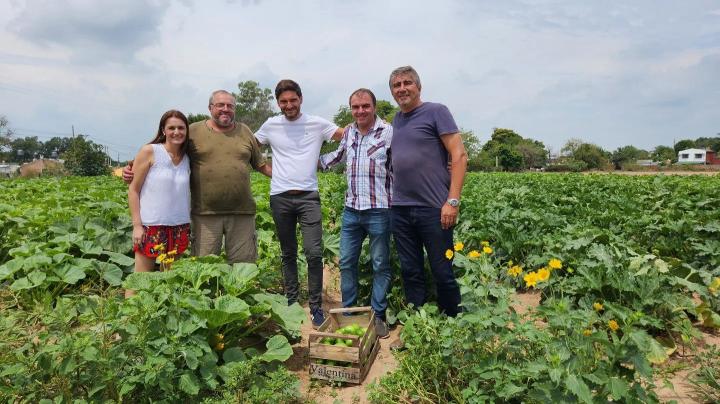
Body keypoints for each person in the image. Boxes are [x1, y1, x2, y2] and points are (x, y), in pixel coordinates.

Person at [123, 90, 271, 263]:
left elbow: (261, 165)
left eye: (230, 106)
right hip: (204, 214)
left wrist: (289, 179)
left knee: (244, 267)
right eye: (220, 105)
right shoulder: (193, 131)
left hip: (242, 213)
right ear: (210, 108)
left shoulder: (244, 131)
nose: (225, 109)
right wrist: (131, 167)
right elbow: (165, 148)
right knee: (204, 268)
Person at [254, 79, 344, 328]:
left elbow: (345, 136)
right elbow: (248, 146)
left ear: (301, 99)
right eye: (283, 101)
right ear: (278, 102)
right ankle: (291, 302)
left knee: (314, 253)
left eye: (293, 100)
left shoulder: (316, 123)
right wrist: (264, 168)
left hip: (308, 197)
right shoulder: (271, 125)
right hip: (280, 197)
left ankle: (316, 306)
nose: (289, 105)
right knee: (288, 252)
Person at [388, 66, 468, 319]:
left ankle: (452, 322)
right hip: (400, 209)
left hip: (434, 208)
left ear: (418, 87)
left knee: (442, 270)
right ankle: (418, 324)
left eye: (407, 83)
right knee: (411, 270)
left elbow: (459, 154)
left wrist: (452, 201)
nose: (402, 89)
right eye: (396, 85)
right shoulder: (396, 120)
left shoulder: (436, 112)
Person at [319, 88, 393, 338]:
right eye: (355, 107)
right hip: (351, 210)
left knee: (380, 263)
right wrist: (302, 161)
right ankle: (349, 312)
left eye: (365, 106)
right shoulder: (349, 132)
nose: (360, 111)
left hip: (379, 209)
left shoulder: (388, 131)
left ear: (374, 107)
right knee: (347, 261)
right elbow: (336, 157)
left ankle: (378, 315)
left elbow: (400, 166)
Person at [126, 110, 191, 297]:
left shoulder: (188, 157)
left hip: (179, 226)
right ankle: (128, 320)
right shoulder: (150, 151)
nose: (176, 132)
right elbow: (133, 190)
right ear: (163, 130)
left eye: (181, 128)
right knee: (140, 280)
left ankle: (164, 319)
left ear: (186, 131)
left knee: (169, 279)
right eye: (171, 128)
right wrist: (137, 226)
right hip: (151, 226)